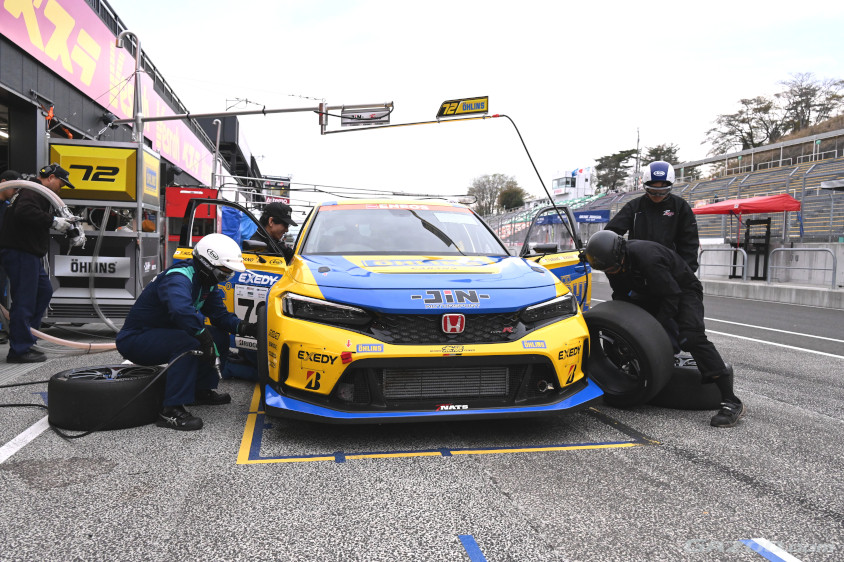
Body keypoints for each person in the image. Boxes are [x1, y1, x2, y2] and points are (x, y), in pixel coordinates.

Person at [584, 230, 745, 428]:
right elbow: (621, 296)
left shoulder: (648, 257)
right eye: (607, 270)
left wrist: (653, 328)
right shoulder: (612, 264)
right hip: (651, 293)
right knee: (625, 328)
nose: (612, 273)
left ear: (621, 255)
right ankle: (627, 377)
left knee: (690, 337)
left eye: (614, 268)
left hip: (682, 291)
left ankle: (731, 401)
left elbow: (672, 296)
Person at [115, 233, 258, 431]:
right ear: (207, 265)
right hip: (136, 339)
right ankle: (170, 410)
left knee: (218, 336)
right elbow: (180, 309)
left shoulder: (206, 283)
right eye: (224, 272)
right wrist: (203, 338)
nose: (226, 277)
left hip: (162, 334)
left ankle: (200, 391)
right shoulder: (179, 276)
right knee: (190, 343)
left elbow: (219, 316)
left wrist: (247, 328)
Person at [0, 164, 77, 362]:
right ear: (51, 178)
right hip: (21, 252)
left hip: (27, 253)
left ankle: (27, 338)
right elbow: (24, 212)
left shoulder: (31, 192)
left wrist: (63, 225)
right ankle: (19, 350)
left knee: (43, 292)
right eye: (61, 182)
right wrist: (53, 221)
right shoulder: (34, 192)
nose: (61, 187)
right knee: (25, 301)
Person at [605, 160, 700, 272]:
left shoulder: (680, 207)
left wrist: (686, 272)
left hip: (669, 270)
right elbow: (611, 233)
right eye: (653, 191)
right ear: (646, 187)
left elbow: (689, 242)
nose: (657, 195)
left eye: (662, 191)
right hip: (638, 269)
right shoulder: (634, 206)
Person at [0, 170, 21, 345]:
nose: (15, 191)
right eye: (14, 187)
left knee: (2, 291)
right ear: (4, 182)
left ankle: (1, 329)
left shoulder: (7, 206)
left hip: (3, 255)